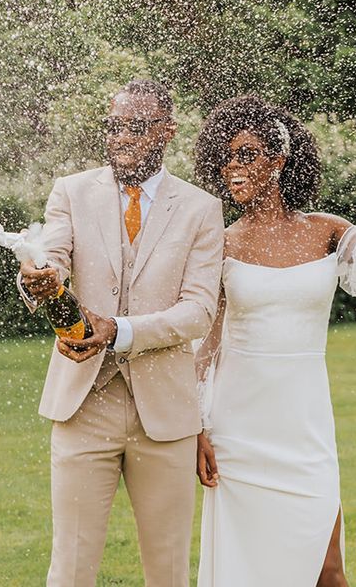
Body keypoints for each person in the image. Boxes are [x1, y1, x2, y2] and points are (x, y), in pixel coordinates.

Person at [193, 96, 356, 587]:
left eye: (246, 154)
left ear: (278, 160)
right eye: (225, 157)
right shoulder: (221, 242)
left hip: (305, 420)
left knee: (328, 570)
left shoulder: (327, 230)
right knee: (246, 567)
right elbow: (205, 344)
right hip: (237, 426)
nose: (233, 166)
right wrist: (196, 426)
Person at [16, 79, 224, 587]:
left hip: (166, 415)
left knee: (168, 571)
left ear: (167, 131)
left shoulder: (201, 208)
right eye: (113, 127)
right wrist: (38, 278)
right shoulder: (71, 191)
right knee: (70, 568)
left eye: (136, 127)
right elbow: (53, 257)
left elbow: (199, 311)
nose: (121, 138)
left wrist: (119, 330)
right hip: (82, 406)